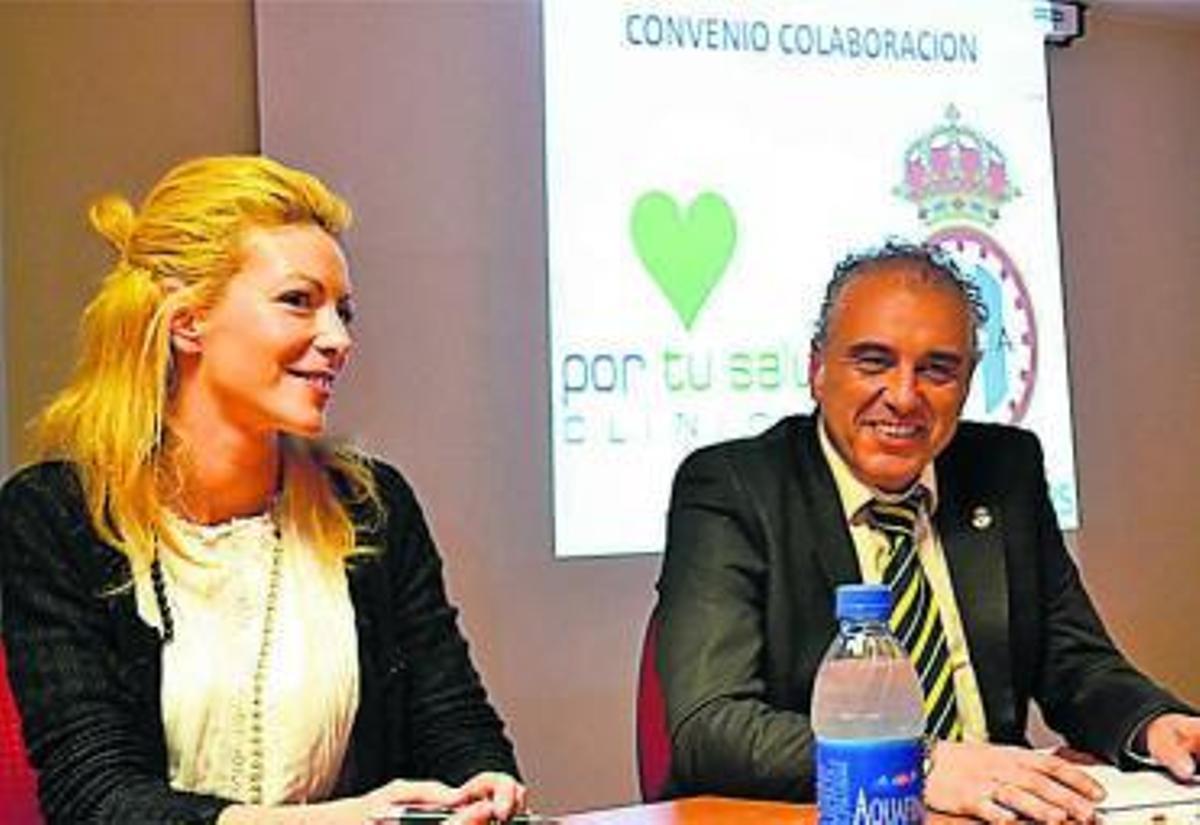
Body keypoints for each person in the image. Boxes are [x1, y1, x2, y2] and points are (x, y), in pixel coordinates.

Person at [0, 156, 525, 824]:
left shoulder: (371, 504)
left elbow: (451, 717)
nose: (337, 339)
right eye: (298, 301)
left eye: (345, 311)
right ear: (188, 321)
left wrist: (485, 782)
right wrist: (337, 822)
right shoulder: (55, 515)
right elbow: (94, 795)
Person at [653, 240, 1200, 822]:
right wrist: (925, 765)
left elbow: (1075, 663)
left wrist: (1154, 724)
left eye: (938, 369)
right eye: (873, 362)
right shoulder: (734, 486)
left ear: (967, 381)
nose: (905, 396)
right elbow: (711, 728)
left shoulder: (1004, 467)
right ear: (817, 369)